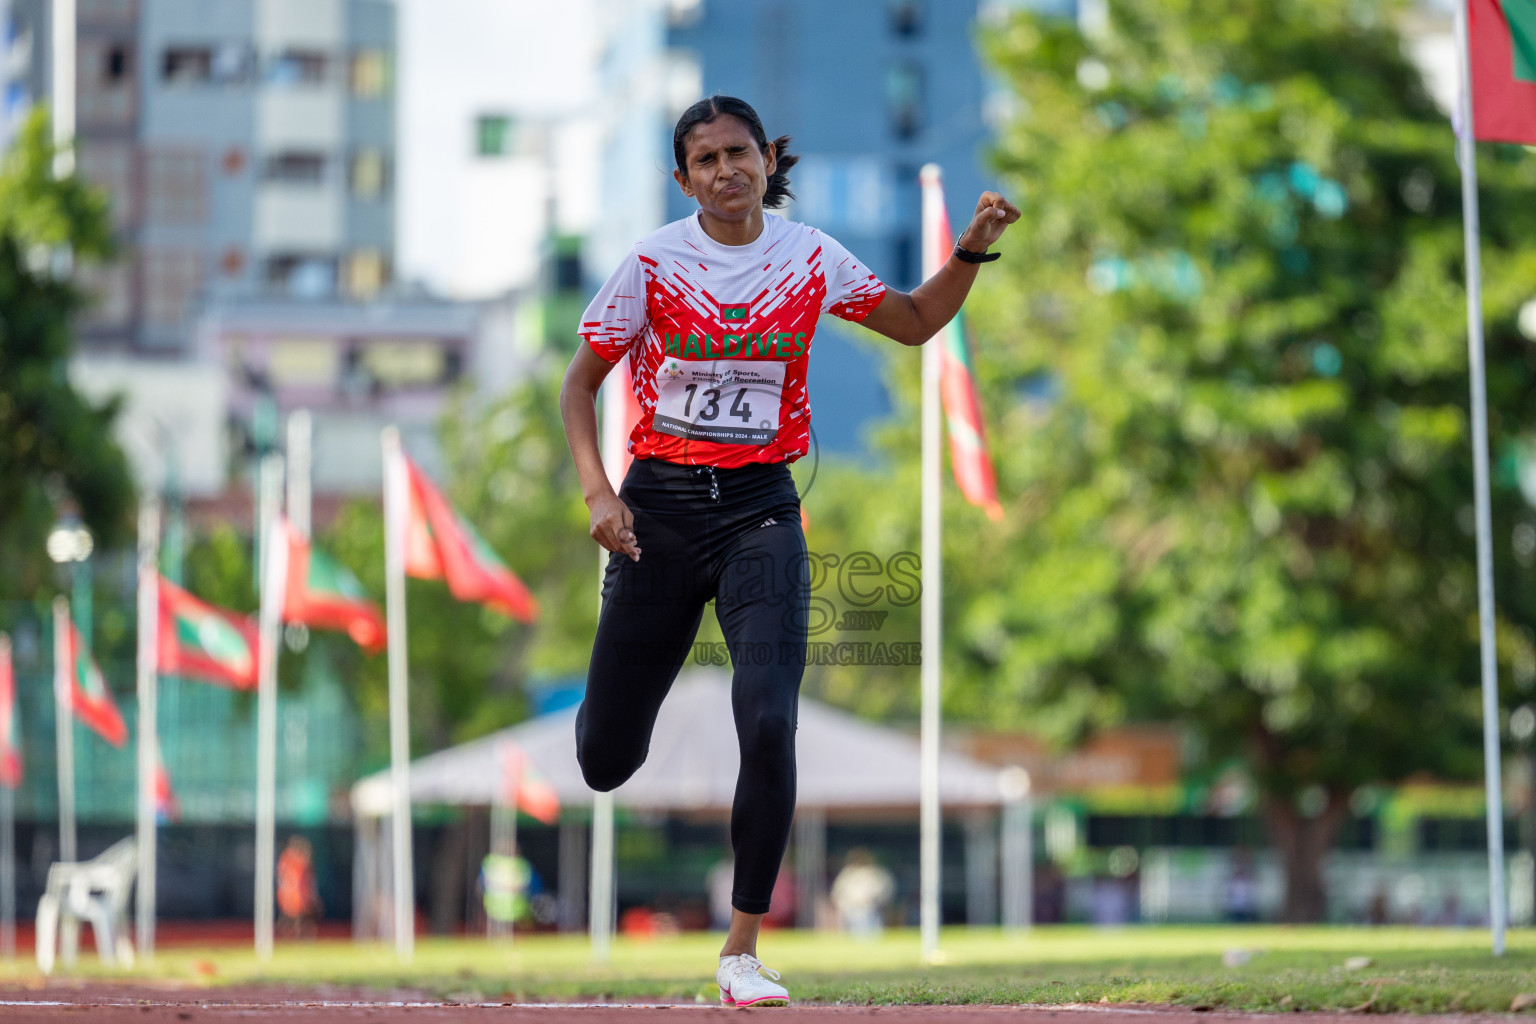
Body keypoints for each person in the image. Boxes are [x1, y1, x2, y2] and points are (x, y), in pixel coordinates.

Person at [560, 94, 1018, 1008]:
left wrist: (970, 248)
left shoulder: (808, 257)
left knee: (769, 716)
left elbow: (915, 321)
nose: (726, 171)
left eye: (739, 153)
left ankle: (742, 948)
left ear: (768, 160)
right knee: (605, 760)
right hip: (659, 512)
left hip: (763, 513)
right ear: (682, 177)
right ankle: (609, 707)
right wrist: (600, 491)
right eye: (705, 160)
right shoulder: (653, 263)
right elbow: (581, 385)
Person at [829, 848, 894, 939]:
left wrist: (877, 901)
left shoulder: (874, 873)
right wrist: (843, 905)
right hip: (851, 910)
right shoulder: (847, 874)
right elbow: (837, 893)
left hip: (870, 909)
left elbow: (884, 890)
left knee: (872, 937)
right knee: (851, 936)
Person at [275, 835, 320, 939]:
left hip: (288, 897)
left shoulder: (285, 860)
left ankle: (292, 938)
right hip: (296, 897)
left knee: (293, 920)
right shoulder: (298, 863)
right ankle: (298, 938)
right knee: (299, 920)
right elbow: (302, 882)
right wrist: (309, 897)